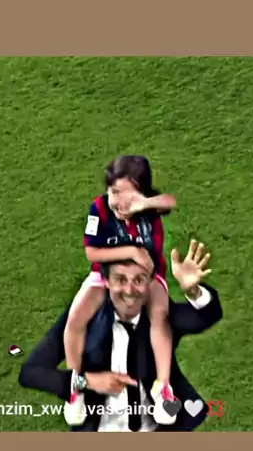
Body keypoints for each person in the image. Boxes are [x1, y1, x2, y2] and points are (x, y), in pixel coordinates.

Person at [19, 240, 223, 433]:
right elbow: (31, 372)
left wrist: (193, 290)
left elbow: (206, 317)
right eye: (120, 280)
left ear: (150, 282)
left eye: (139, 280)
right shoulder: (82, 320)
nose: (129, 290)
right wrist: (86, 381)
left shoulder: (159, 318)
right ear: (106, 281)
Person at [63, 154, 180, 425]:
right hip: (106, 274)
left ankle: (163, 387)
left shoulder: (149, 207)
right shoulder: (99, 209)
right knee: (75, 318)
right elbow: (92, 252)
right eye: (115, 192)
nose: (120, 202)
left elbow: (170, 201)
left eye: (129, 194)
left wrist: (144, 203)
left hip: (148, 276)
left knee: (160, 314)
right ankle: (75, 385)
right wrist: (132, 251)